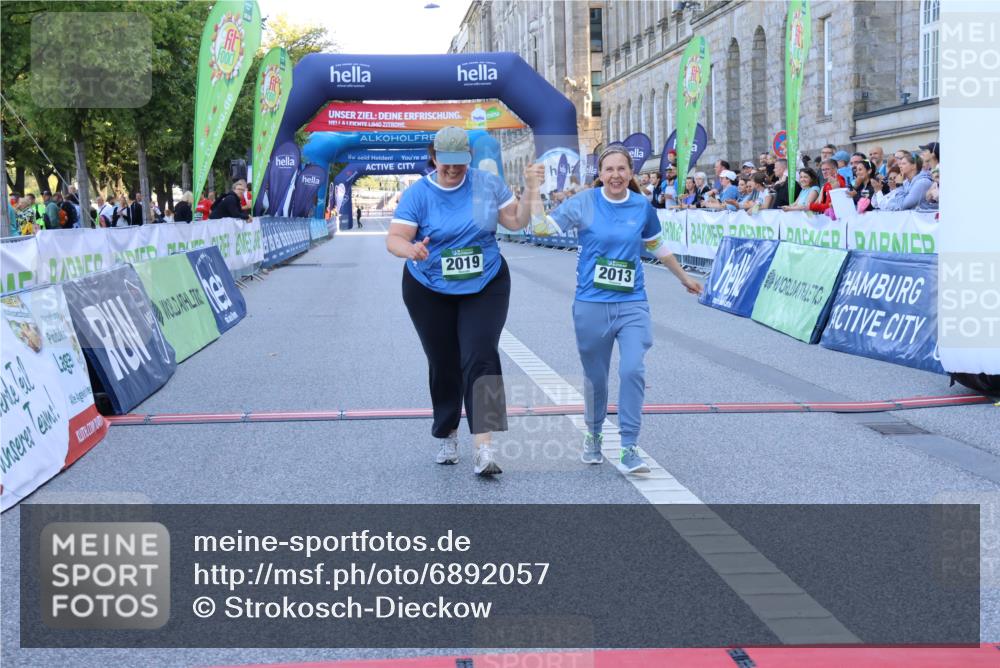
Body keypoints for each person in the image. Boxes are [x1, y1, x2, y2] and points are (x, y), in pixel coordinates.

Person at [529, 146, 702, 473]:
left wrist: (684, 277)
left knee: (632, 369)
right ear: (601, 173)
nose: (616, 175)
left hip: (631, 302)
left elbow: (656, 246)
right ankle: (593, 435)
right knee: (596, 378)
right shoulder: (584, 202)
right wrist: (535, 192)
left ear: (631, 172)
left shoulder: (641, 206)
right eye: (609, 169)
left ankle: (629, 446)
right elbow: (542, 229)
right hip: (591, 304)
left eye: (622, 169)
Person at [385, 126, 534, 476]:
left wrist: (532, 191)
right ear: (433, 158)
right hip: (428, 286)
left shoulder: (486, 183)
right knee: (444, 362)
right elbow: (394, 239)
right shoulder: (419, 194)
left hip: (486, 281)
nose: (453, 170)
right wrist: (413, 249)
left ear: (468, 158)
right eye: (445, 163)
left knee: (481, 355)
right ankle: (447, 432)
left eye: (459, 163)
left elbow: (515, 221)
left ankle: (484, 446)